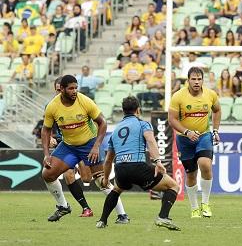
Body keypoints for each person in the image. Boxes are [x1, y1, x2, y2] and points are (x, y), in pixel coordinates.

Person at [41, 75, 129, 223]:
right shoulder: (52, 106)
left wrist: (96, 146)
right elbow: (45, 130)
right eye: (71, 88)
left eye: (76, 87)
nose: (74, 91)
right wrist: (46, 154)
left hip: (89, 144)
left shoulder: (85, 101)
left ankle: (122, 215)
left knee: (101, 180)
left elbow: (103, 123)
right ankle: (63, 206)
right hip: (68, 146)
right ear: (61, 89)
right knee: (48, 174)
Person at [96, 96, 181, 230]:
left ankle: (102, 221)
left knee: (116, 189)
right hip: (137, 167)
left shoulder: (116, 131)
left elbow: (108, 160)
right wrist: (158, 161)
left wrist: (106, 178)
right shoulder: (143, 124)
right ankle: (163, 217)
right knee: (173, 186)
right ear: (138, 110)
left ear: (123, 111)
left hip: (120, 169)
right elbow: (151, 141)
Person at [168, 67, 221, 218]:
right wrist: (186, 132)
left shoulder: (210, 94)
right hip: (184, 139)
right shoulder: (178, 96)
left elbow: (217, 110)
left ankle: (205, 203)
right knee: (191, 174)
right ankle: (194, 207)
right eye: (194, 79)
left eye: (199, 79)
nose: (197, 82)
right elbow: (172, 119)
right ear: (188, 80)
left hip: (204, 135)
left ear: (203, 80)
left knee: (205, 164)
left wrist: (215, 131)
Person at [50, 77, 93, 217]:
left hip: (83, 144)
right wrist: (50, 137)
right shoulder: (52, 106)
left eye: (60, 90)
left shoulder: (80, 102)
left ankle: (119, 210)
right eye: (57, 90)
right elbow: (47, 126)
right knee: (68, 175)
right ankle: (85, 208)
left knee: (87, 178)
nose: (58, 93)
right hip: (67, 147)